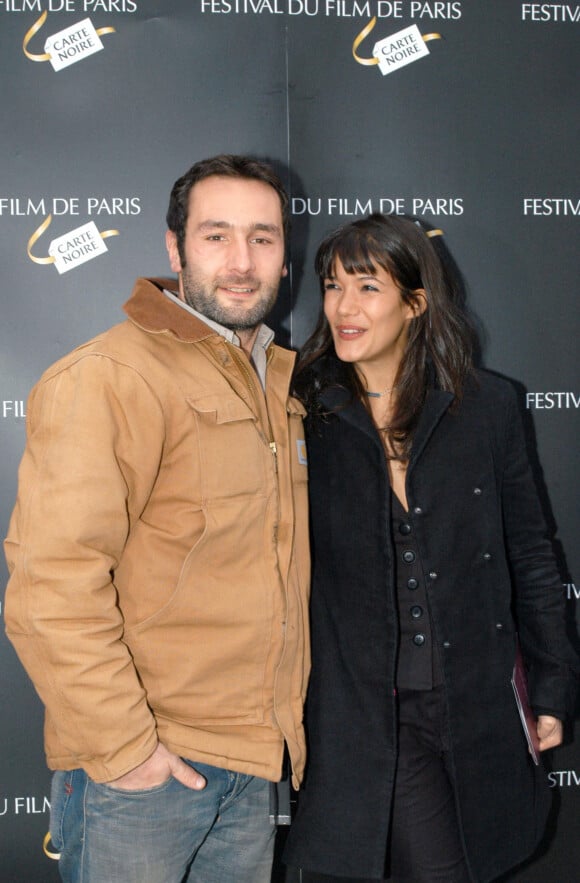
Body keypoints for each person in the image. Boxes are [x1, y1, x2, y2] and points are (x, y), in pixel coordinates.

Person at [4, 154, 310, 883]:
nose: (242, 262)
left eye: (263, 238)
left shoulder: (275, 379)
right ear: (175, 248)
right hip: (145, 775)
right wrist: (128, 749)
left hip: (251, 762)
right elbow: (52, 586)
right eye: (216, 236)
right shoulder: (109, 377)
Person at [283, 213, 578, 882]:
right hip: (365, 712)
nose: (343, 307)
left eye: (367, 287)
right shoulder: (302, 408)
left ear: (416, 303)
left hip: (476, 705)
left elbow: (532, 554)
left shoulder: (488, 407)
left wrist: (553, 687)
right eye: (332, 286)